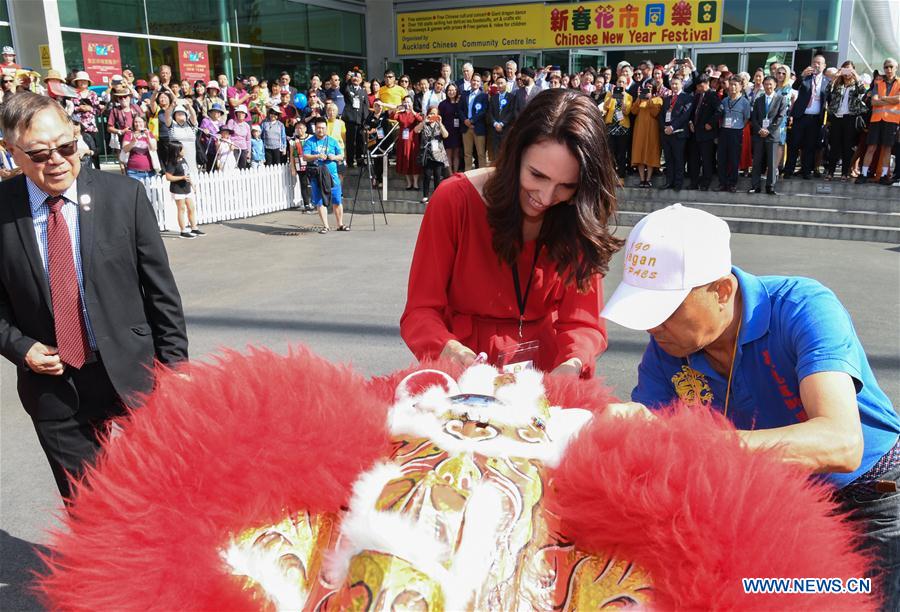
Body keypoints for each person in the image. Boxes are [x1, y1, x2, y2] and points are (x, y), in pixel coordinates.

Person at [600, 203, 900, 612]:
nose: (652, 327)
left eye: (665, 310)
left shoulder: (802, 307)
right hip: (784, 502)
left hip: (872, 499)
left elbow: (841, 443)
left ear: (721, 290)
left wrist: (702, 443)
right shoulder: (669, 349)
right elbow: (649, 426)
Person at [0, 92, 188, 501]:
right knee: (93, 511)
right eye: (38, 153)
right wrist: (21, 347)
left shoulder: (124, 197)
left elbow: (161, 294)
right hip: (53, 388)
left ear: (76, 136)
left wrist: (176, 370)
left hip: (133, 372)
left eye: (66, 147)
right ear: (11, 152)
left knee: (167, 494)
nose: (57, 161)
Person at [400, 88, 622, 377]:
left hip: (549, 370)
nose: (545, 197)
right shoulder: (454, 200)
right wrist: (446, 348)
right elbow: (420, 312)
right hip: (466, 367)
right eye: (537, 175)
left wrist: (573, 363)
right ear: (515, 153)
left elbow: (583, 322)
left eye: (566, 185)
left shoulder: (578, 211)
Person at [784, 55, 830, 179]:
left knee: (810, 146)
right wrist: (802, 75)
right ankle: (788, 170)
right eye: (814, 62)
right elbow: (794, 87)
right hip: (801, 116)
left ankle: (806, 171)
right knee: (794, 144)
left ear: (824, 66)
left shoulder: (827, 81)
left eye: (819, 63)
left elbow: (829, 99)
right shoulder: (806, 77)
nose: (816, 65)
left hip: (815, 118)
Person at [857, 58, 899, 185]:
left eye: (891, 66)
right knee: (871, 147)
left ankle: (884, 176)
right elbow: (874, 101)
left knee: (887, 149)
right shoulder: (878, 83)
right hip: (876, 120)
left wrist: (883, 98)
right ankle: (863, 174)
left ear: (896, 68)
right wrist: (890, 99)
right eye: (886, 67)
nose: (888, 69)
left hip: (891, 121)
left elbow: (899, 100)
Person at [302, 115, 346, 234]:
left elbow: (341, 156)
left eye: (322, 128)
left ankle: (340, 224)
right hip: (316, 175)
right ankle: (325, 226)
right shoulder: (309, 142)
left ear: (326, 128)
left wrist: (334, 157)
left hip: (332, 175)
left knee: (337, 200)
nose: (320, 130)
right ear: (315, 128)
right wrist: (317, 156)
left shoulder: (332, 141)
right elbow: (305, 156)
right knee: (320, 201)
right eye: (318, 128)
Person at [824, 61, 867, 182]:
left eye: (849, 70)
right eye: (845, 70)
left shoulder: (856, 84)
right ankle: (830, 172)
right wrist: (836, 76)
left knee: (847, 146)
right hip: (837, 117)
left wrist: (855, 75)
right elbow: (827, 91)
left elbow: (862, 90)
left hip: (850, 117)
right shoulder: (838, 84)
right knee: (834, 146)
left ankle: (844, 173)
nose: (847, 73)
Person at [748, 76, 788, 195]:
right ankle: (755, 186)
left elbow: (780, 117)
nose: (768, 86)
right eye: (766, 84)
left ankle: (770, 186)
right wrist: (759, 129)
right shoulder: (759, 99)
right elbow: (753, 118)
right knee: (757, 162)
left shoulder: (781, 99)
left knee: (772, 162)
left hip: (772, 135)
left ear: (775, 85)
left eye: (770, 84)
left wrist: (768, 130)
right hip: (759, 134)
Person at [716, 77, 752, 193]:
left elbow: (746, 118)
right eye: (731, 84)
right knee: (721, 158)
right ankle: (722, 183)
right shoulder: (724, 100)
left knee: (734, 159)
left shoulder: (745, 102)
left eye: (735, 85)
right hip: (724, 131)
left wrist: (739, 127)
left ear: (741, 87)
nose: (733, 87)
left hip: (736, 132)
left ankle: (732, 184)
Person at [659, 75, 693, 191]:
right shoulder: (667, 99)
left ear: (681, 84)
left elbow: (685, 116)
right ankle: (669, 181)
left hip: (679, 133)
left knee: (678, 159)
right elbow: (662, 115)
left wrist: (672, 127)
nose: (674, 86)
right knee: (668, 159)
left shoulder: (687, 98)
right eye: (672, 84)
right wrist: (665, 127)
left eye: (676, 84)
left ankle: (678, 183)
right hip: (666, 134)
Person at [687, 75, 720, 190]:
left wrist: (710, 123)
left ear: (707, 83)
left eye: (701, 86)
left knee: (706, 159)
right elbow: (692, 112)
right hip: (695, 133)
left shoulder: (713, 95)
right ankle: (694, 182)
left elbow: (719, 111)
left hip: (706, 134)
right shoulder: (697, 96)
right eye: (698, 87)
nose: (699, 88)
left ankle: (706, 182)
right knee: (694, 159)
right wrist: (690, 122)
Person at [630, 80, 662, 188]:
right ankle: (642, 179)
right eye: (646, 87)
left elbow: (655, 113)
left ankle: (648, 179)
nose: (647, 89)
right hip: (639, 129)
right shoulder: (639, 99)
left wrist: (649, 100)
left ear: (653, 89)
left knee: (650, 152)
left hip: (652, 129)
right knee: (639, 151)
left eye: (649, 87)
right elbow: (633, 111)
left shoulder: (657, 100)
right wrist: (639, 98)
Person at [414, 106, 449, 203]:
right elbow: (416, 130)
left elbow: (446, 135)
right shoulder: (424, 124)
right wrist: (424, 121)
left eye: (435, 113)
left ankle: (436, 196)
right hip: (427, 153)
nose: (432, 115)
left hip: (438, 154)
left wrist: (440, 123)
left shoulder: (439, 124)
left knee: (438, 176)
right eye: (431, 113)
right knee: (427, 175)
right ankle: (425, 196)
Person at [602, 76, 633, 182]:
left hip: (623, 127)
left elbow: (626, 112)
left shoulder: (628, 96)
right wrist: (612, 96)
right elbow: (605, 107)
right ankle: (610, 177)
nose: (621, 84)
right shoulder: (609, 94)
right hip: (611, 126)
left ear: (626, 84)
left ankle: (621, 177)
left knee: (621, 153)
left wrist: (623, 97)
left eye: (623, 82)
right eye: (619, 81)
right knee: (610, 153)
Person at [459, 74, 488, 171]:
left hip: (478, 128)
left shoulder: (483, 96)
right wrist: (465, 120)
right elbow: (460, 110)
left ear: (480, 83)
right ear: (470, 81)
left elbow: (483, 111)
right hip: (466, 127)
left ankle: (482, 176)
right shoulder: (464, 94)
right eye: (474, 80)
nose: (475, 82)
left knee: (481, 154)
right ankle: (468, 175)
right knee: (467, 154)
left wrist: (471, 121)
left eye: (477, 81)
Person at [341, 70, 368, 169]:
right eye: (354, 77)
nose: (356, 78)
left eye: (358, 77)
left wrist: (365, 120)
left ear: (361, 80)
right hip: (350, 119)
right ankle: (350, 161)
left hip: (360, 120)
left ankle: (360, 160)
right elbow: (343, 87)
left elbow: (366, 106)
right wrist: (348, 78)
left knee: (360, 141)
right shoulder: (348, 88)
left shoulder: (363, 91)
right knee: (350, 141)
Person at [394, 95, 422, 191]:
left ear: (412, 103)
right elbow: (393, 116)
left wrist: (412, 111)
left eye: (408, 102)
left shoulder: (415, 113)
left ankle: (415, 183)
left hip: (413, 140)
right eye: (405, 102)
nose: (407, 104)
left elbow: (420, 120)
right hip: (403, 140)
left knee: (414, 161)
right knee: (405, 160)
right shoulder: (401, 114)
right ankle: (409, 183)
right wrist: (398, 109)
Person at [121, 115, 157, 185]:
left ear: (144, 123)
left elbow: (154, 148)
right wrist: (133, 142)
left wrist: (148, 137)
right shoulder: (129, 134)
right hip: (133, 172)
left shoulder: (149, 133)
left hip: (149, 172)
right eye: (135, 122)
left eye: (140, 122)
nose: (138, 124)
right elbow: (125, 149)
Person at [488, 75, 515, 160]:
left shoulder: (511, 97)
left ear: (506, 84)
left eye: (502, 83)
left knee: (506, 152)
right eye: (498, 83)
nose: (500, 85)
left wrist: (502, 124)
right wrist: (495, 123)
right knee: (496, 153)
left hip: (506, 129)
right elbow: (489, 112)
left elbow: (511, 112)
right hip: (495, 130)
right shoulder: (493, 98)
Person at [438, 82, 462, 174]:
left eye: (453, 90)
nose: (451, 92)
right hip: (447, 131)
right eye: (449, 90)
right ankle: (450, 173)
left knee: (456, 153)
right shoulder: (443, 104)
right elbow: (440, 118)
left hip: (458, 131)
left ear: (457, 91)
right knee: (448, 153)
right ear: (446, 92)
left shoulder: (460, 103)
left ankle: (455, 172)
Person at [288, 121, 312, 211]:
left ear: (305, 129)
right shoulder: (293, 140)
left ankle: (316, 202)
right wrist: (293, 168)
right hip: (300, 165)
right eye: (297, 128)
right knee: (304, 184)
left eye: (301, 128)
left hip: (311, 164)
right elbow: (291, 155)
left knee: (313, 183)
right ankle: (306, 204)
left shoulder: (311, 138)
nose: (299, 130)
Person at [226, 104, 251, 168]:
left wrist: (249, 151)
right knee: (233, 166)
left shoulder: (247, 125)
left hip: (244, 148)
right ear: (236, 113)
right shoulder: (231, 122)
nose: (241, 114)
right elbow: (227, 135)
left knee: (242, 167)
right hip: (234, 147)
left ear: (245, 115)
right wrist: (230, 144)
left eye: (243, 113)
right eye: (239, 112)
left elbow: (248, 140)